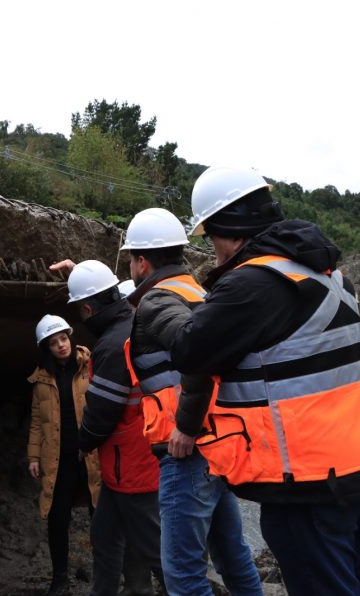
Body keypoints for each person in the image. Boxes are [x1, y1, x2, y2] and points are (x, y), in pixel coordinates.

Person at [167, 166, 360, 595]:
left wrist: (171, 299)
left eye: (210, 236)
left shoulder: (253, 284)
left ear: (227, 228)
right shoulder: (324, 274)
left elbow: (189, 350)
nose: (212, 248)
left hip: (310, 484)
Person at [120, 208, 263, 595]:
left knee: (183, 575)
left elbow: (197, 353)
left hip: (188, 451)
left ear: (142, 261)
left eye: (131, 259)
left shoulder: (156, 301)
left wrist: (186, 425)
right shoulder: (198, 292)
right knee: (233, 558)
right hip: (218, 446)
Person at [59, 260, 165, 596]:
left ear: (87, 309)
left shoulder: (110, 345)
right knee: (105, 539)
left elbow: (101, 414)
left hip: (134, 468)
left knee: (159, 554)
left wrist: (82, 442)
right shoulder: (130, 321)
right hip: (125, 467)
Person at [28, 314, 102, 596]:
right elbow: (37, 422)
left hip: (91, 455)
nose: (61, 345)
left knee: (100, 514)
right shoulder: (42, 380)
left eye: (63, 338)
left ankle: (102, 574)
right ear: (45, 348)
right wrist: (34, 457)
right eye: (53, 342)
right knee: (57, 517)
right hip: (58, 459)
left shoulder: (90, 365)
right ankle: (60, 579)